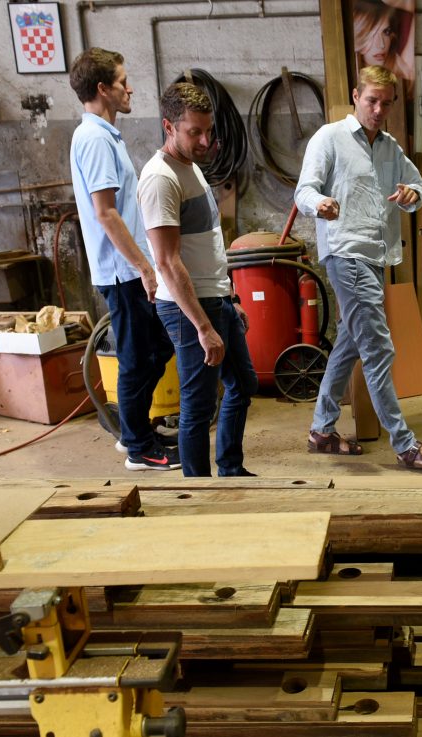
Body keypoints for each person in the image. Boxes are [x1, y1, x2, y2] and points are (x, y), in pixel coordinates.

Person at [294, 65, 422, 470]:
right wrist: (319, 203)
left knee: (349, 342)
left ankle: (322, 429)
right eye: (371, 100)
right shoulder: (330, 138)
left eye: (386, 102)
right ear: (355, 96)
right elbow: (304, 190)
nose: (379, 109)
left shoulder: (389, 147)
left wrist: (410, 192)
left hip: (377, 256)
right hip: (345, 252)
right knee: (378, 348)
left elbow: (420, 190)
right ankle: (406, 446)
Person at [137, 82, 258, 478]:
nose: (205, 140)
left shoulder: (190, 167)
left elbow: (207, 245)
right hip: (190, 309)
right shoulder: (160, 179)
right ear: (168, 126)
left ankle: (230, 469)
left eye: (208, 130)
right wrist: (203, 327)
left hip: (215, 297)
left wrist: (230, 296)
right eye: (194, 132)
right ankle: (197, 489)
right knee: (198, 405)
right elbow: (167, 262)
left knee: (242, 383)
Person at [68, 48, 179, 472]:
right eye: (121, 81)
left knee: (159, 347)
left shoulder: (105, 134)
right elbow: (106, 213)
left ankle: (136, 431)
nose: (129, 88)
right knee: (138, 356)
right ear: (102, 89)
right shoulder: (95, 138)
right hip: (122, 271)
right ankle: (138, 448)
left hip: (130, 266)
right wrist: (144, 267)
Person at [353, 0, 414, 89]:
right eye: (372, 35)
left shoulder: (402, 68)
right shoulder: (350, 78)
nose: (381, 45)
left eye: (386, 32)